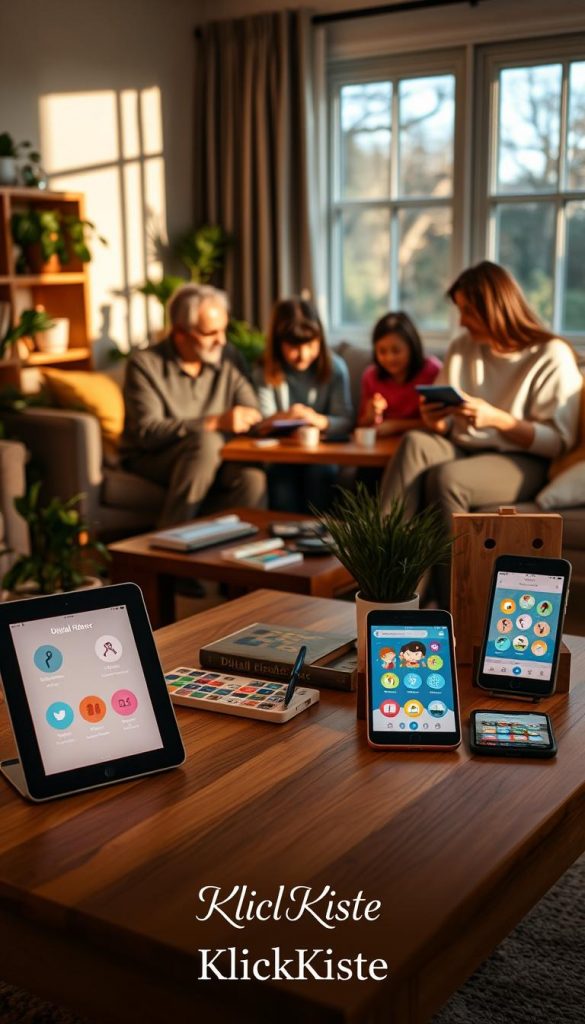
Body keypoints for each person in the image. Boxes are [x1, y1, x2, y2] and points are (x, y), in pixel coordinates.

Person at [380, 261, 583, 607]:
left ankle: (451, 606)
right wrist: (436, 419)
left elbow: (557, 442)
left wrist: (498, 420)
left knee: (448, 478)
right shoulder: (463, 347)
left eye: (468, 311)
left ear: (496, 308)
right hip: (462, 444)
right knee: (414, 443)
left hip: (523, 460)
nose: (461, 321)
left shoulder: (551, 355)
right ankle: (384, 577)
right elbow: (447, 425)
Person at [120, 283, 265, 527]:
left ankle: (238, 558)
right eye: (210, 333)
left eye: (224, 330)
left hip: (217, 455)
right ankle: (170, 542)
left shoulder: (229, 357)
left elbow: (252, 412)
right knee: (207, 441)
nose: (222, 340)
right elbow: (147, 433)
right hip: (156, 456)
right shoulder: (144, 365)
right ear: (180, 333)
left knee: (252, 478)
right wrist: (214, 422)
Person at [253, 297, 354, 512]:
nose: (303, 354)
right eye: (293, 346)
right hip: (280, 456)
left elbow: (345, 419)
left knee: (321, 475)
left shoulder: (335, 368)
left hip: (321, 455)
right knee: (281, 482)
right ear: (278, 343)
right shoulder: (265, 370)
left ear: (320, 340)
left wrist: (315, 419)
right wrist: (290, 415)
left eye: (310, 345)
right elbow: (261, 422)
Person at [358, 311, 442, 435]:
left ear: (411, 347)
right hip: (382, 446)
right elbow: (361, 424)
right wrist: (370, 416)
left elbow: (442, 423)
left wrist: (396, 425)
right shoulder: (371, 376)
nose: (389, 358)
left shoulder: (432, 371)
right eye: (382, 351)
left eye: (396, 350)